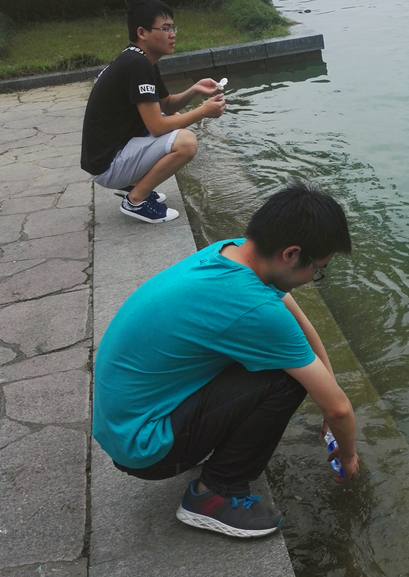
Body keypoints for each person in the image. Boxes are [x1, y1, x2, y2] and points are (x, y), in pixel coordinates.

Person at [93, 180, 359, 538]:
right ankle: (214, 494)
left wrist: (329, 381)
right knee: (287, 379)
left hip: (124, 422)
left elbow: (294, 316)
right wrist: (348, 455)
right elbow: (339, 409)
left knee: (282, 359)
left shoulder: (233, 251)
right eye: (318, 268)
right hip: (144, 446)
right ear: (291, 254)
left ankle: (206, 455)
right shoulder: (252, 306)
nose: (315, 278)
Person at [80, 0, 226, 224]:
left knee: (175, 120)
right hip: (108, 165)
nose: (172, 34)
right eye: (165, 28)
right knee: (186, 142)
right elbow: (156, 127)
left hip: (109, 154)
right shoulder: (137, 65)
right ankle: (136, 199)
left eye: (173, 28)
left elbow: (166, 104)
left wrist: (194, 90)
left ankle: (133, 185)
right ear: (142, 32)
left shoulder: (140, 59)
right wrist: (202, 111)